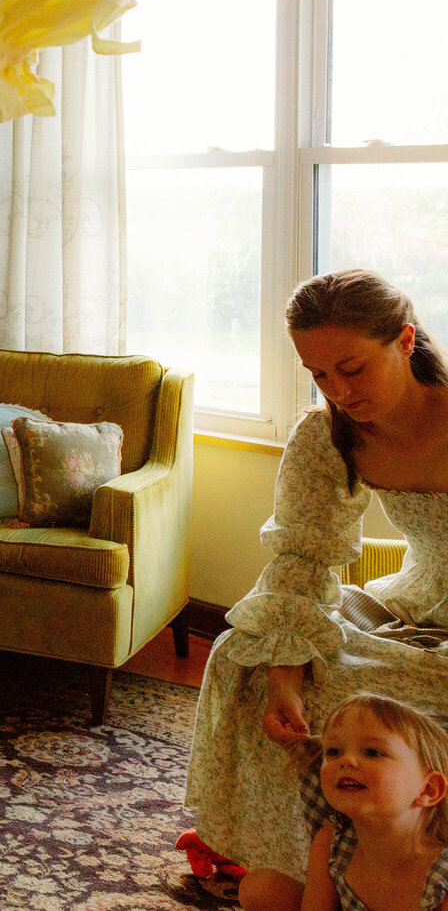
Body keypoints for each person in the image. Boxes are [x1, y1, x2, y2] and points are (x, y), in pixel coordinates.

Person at [185, 269, 448, 910]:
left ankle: (418, 860)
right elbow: (303, 558)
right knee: (241, 658)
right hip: (420, 596)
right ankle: (305, 853)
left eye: (352, 368)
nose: (339, 390)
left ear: (406, 341)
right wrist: (285, 677)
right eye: (320, 374)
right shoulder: (324, 433)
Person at [284, 693, 448, 911]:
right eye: (334, 751)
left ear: (428, 789)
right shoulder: (331, 842)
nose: (347, 760)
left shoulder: (441, 876)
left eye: (372, 752)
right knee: (258, 888)